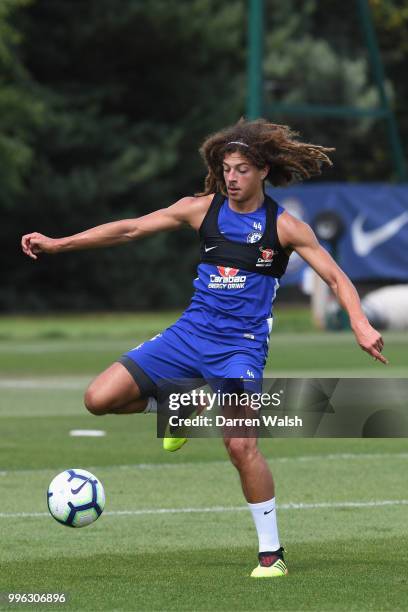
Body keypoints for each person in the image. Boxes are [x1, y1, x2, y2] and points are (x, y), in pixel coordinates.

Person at [21, 118, 388, 578]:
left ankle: (271, 555)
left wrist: (358, 321)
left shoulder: (285, 227)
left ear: (263, 173)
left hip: (240, 348)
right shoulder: (201, 210)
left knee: (240, 445)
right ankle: (181, 400)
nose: (231, 178)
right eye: (226, 168)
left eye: (241, 170)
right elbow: (132, 229)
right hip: (188, 335)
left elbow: (335, 276)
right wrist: (59, 244)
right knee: (98, 399)